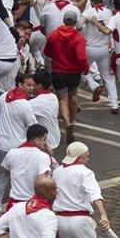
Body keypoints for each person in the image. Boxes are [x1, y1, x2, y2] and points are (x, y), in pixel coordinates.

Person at [52, 142, 109, 238]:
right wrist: (103, 214)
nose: (88, 159)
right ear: (80, 158)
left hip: (60, 220)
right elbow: (95, 195)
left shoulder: (57, 172)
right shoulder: (85, 172)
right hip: (80, 221)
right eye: (87, 157)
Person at [0, 72, 37, 208]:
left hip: (1, 144)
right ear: (20, 85)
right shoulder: (25, 105)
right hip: (18, 147)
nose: (31, 88)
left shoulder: (6, 95)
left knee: (2, 175)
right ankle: (21, 203)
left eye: (33, 85)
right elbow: (34, 128)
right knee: (21, 176)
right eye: (28, 85)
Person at [43, 9, 88, 144]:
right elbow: (81, 57)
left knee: (63, 99)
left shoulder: (54, 34)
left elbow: (47, 52)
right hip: (74, 72)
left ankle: (67, 122)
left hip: (58, 71)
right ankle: (72, 120)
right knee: (73, 96)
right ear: (74, 22)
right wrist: (84, 68)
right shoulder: (78, 37)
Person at [30, 70, 61, 151]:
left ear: (39, 86)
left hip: (44, 143)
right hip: (55, 137)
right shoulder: (53, 97)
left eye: (33, 85)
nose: (31, 88)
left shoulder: (35, 103)